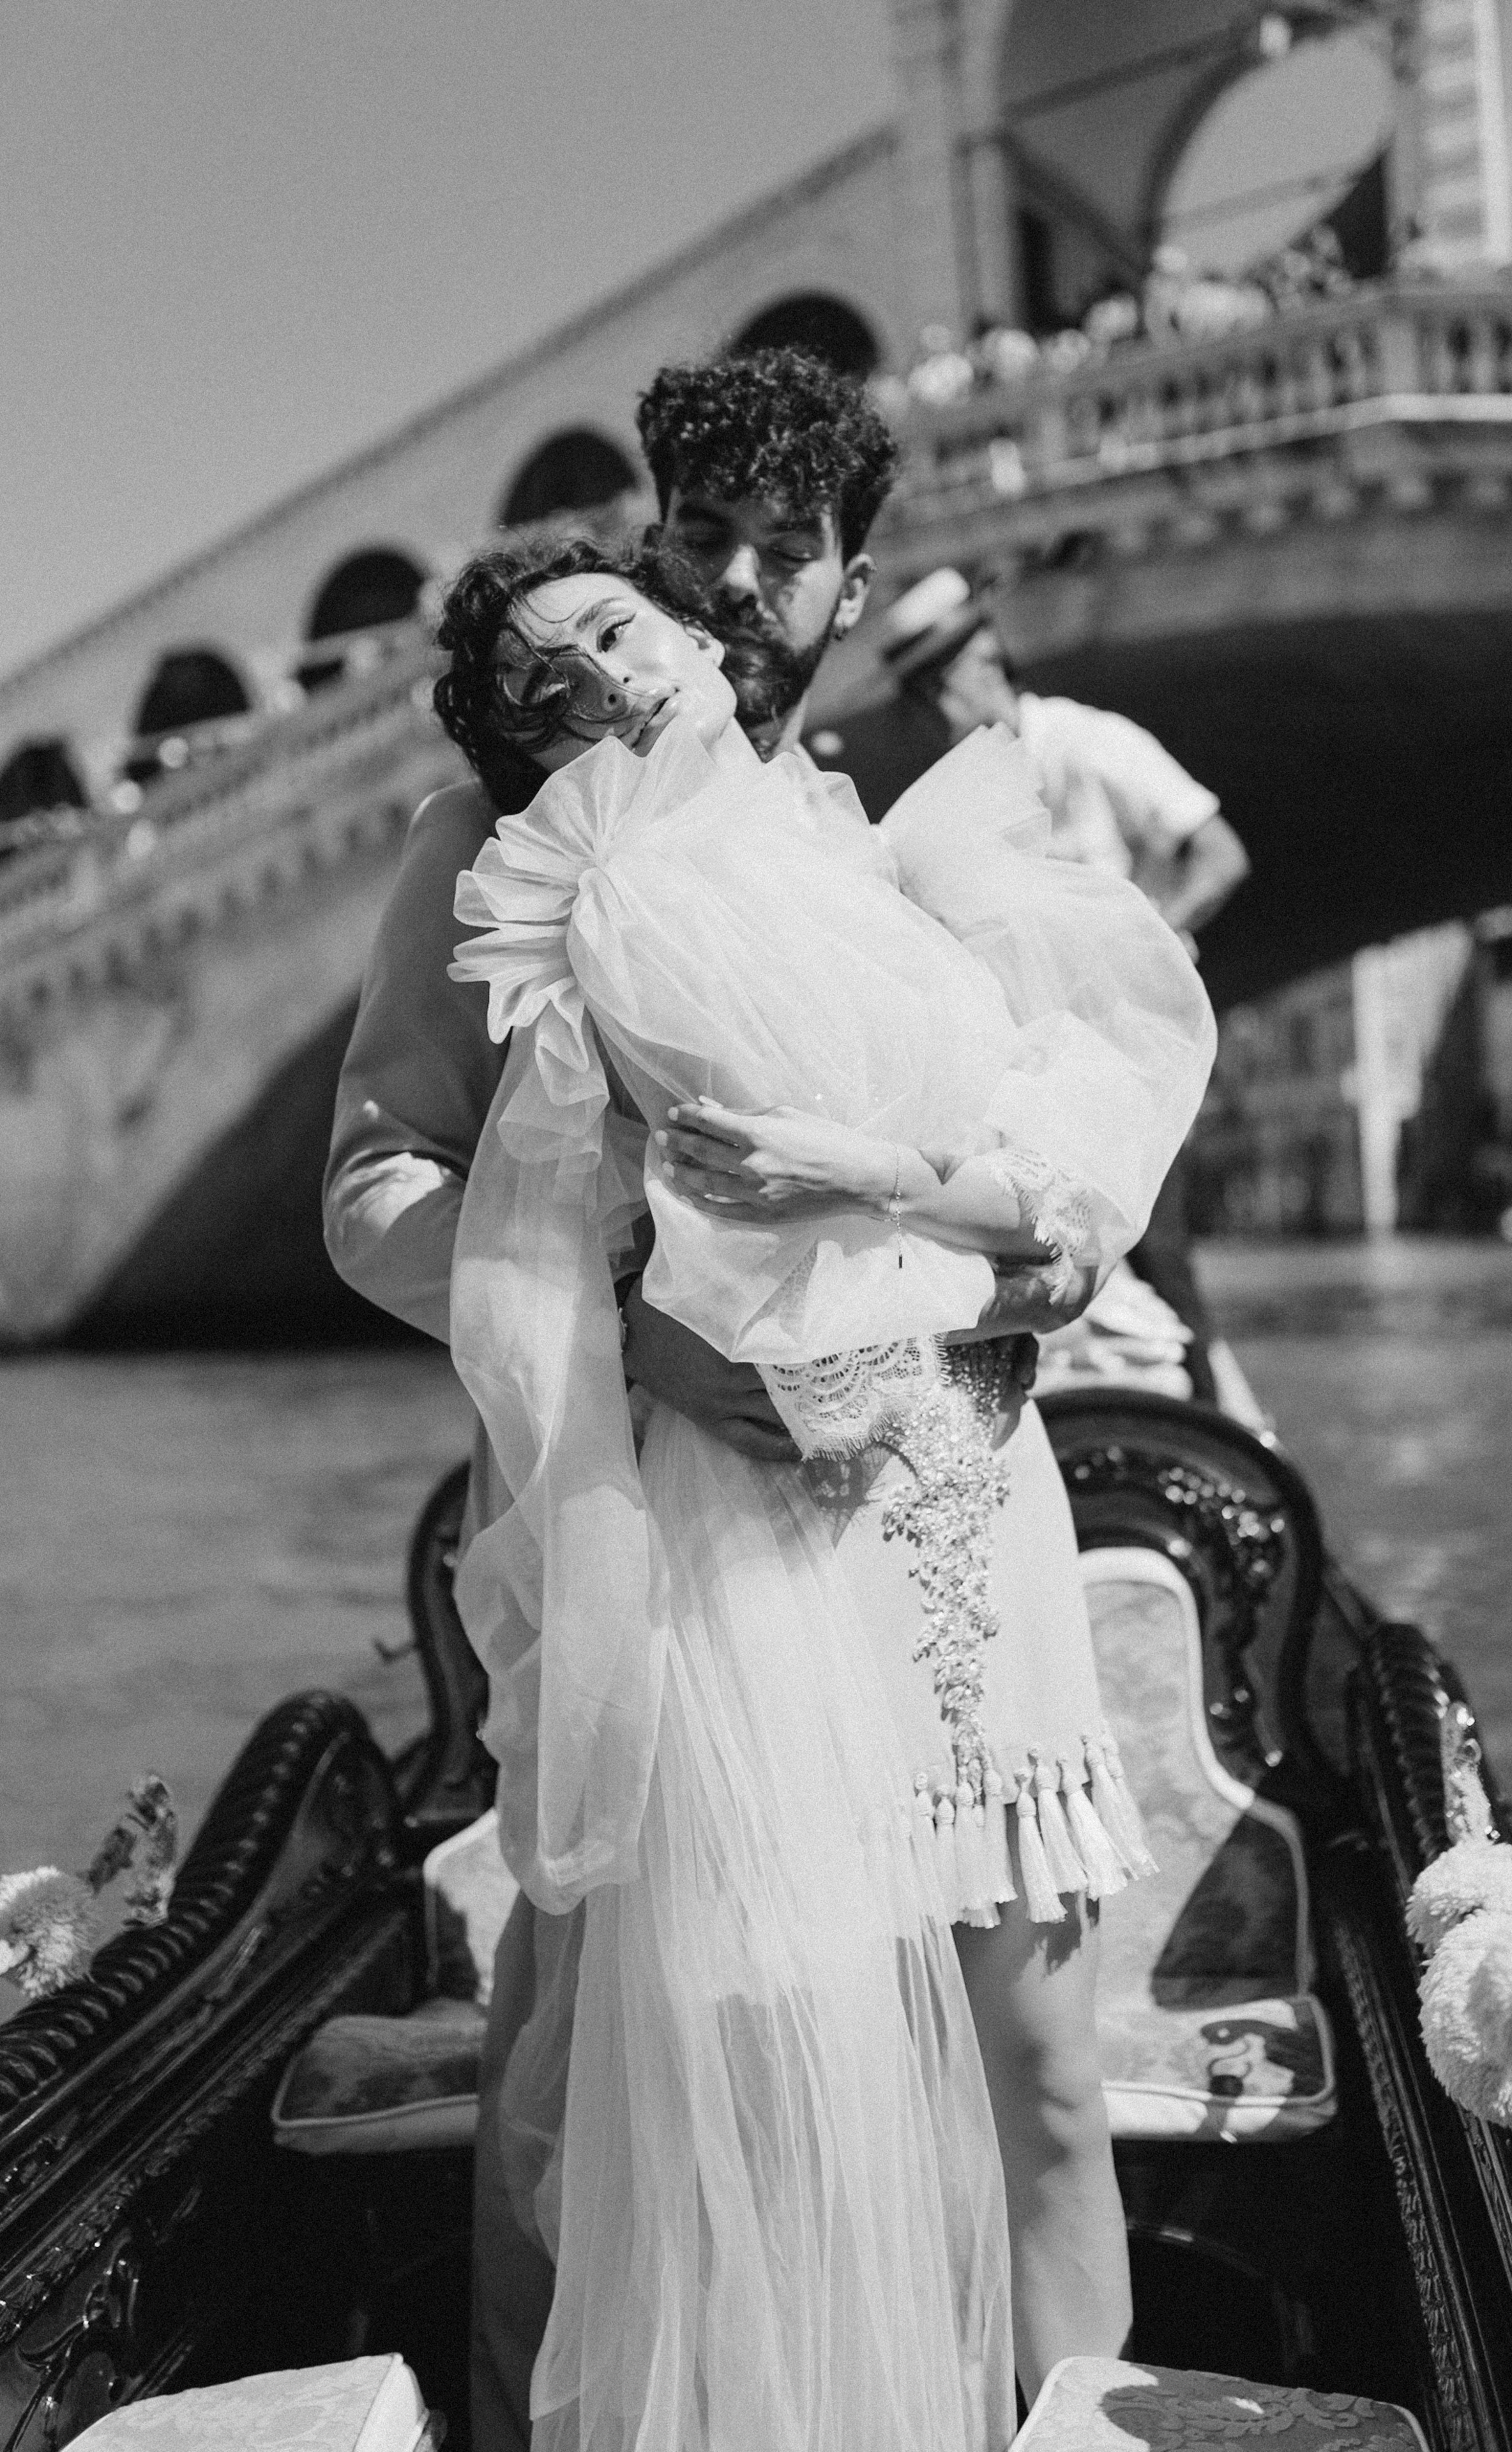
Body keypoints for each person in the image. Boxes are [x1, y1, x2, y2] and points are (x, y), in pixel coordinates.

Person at [321, 352, 1107, 2450]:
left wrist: (1032, 1251)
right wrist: (635, 1308)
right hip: (637, 1530)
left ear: (850, 589)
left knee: (933, 2051)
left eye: (785, 555)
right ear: (651, 559)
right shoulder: (483, 830)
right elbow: (375, 1182)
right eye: (699, 547)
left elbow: (1020, 1165)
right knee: (593, 2072)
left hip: (906, 1514)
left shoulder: (862, 839)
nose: (737, 587)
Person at [434, 531, 1214, 2449]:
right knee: (805, 2103)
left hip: (974, 1470)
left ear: (704, 633)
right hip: (778, 1522)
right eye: (554, 691)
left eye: (620, 633)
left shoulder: (883, 854)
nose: (610, 685)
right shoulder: (598, 911)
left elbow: (1041, 1199)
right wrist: (701, 1327)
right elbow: (567, 1244)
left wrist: (897, 1190)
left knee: (1041, 2085)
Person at [880, 566, 1251, 1412]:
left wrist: (1135, 946)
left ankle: (1212, 1442)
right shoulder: (962, 791)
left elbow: (1222, 856)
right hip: (1032, 1075)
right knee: (1031, 1258)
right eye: (922, 698)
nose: (935, 717)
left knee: (1156, 1251)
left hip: (1127, 1061)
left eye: (943, 688)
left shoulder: (1090, 745)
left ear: (986, 663)